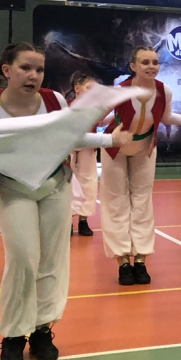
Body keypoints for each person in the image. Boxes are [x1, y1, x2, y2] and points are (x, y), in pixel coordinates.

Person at [0, 43, 131, 360]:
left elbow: (68, 138)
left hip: (55, 186)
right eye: (25, 68)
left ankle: (43, 329)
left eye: (39, 70)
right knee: (23, 258)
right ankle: (14, 333)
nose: (33, 75)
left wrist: (110, 139)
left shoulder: (54, 100)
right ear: (7, 70)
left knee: (53, 260)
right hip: (13, 190)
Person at [100, 46, 181, 287]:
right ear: (133, 66)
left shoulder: (164, 91)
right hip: (114, 149)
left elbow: (166, 117)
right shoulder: (119, 91)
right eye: (145, 62)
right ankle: (122, 261)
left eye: (154, 62)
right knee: (116, 203)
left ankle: (141, 259)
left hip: (144, 149)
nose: (151, 66)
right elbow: (99, 118)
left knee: (142, 202)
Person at [68, 72, 101, 238]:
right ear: (77, 88)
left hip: (88, 149)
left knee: (88, 183)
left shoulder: (95, 109)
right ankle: (67, 221)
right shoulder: (66, 107)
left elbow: (101, 122)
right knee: (67, 185)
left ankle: (83, 220)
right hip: (68, 150)